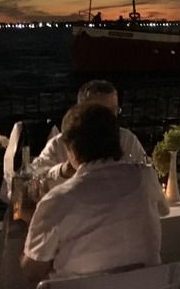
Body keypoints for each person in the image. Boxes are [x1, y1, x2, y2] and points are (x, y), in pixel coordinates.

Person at [20, 103, 168, 283]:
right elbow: (163, 211)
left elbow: (32, 272)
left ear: (71, 149)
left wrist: (31, 219)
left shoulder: (58, 199)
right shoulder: (145, 177)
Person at [32, 80, 146, 189]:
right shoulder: (60, 144)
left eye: (113, 111)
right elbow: (32, 180)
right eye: (100, 113)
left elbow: (145, 174)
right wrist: (62, 171)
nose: (109, 119)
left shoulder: (127, 140)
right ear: (80, 112)